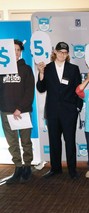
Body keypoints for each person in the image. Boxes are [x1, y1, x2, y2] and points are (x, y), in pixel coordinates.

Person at [36, 42, 83, 179]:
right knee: (54, 141)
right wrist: (41, 73)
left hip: (69, 112)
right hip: (52, 112)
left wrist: (77, 107)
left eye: (65, 52)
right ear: (55, 52)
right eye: (60, 51)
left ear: (68, 54)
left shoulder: (74, 69)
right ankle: (55, 169)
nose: (63, 54)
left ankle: (72, 170)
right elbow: (41, 88)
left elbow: (79, 90)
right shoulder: (47, 68)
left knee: (70, 141)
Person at [0, 39, 35, 184]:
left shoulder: (26, 69)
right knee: (12, 142)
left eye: (18, 50)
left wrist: (19, 108)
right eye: (12, 50)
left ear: (21, 52)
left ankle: (27, 166)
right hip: (6, 112)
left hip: (23, 112)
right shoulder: (1, 70)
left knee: (26, 141)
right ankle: (18, 167)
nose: (15, 52)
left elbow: (29, 91)